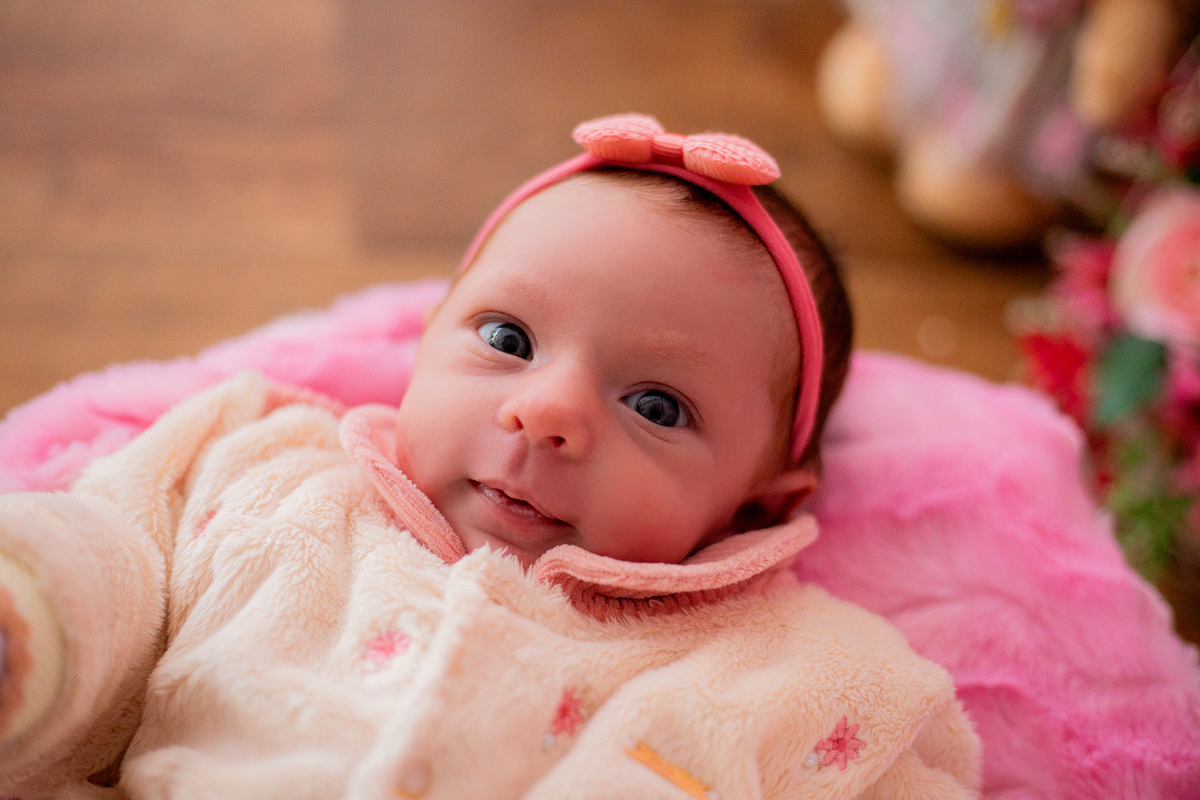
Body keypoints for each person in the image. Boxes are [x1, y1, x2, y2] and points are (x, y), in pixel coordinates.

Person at [0, 114, 980, 799]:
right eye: (507, 339)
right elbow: (114, 563)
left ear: (760, 505)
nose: (545, 410)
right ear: (426, 339)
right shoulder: (267, 464)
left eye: (654, 404)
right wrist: (35, 620)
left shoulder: (804, 673)